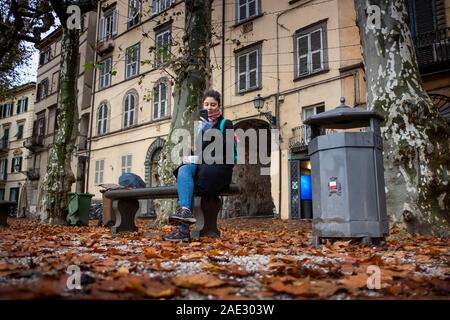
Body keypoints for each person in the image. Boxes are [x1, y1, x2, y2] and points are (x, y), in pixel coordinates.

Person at [164, 90, 234, 241]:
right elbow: (199, 149)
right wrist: (192, 157)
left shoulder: (225, 124)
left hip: (218, 168)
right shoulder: (201, 126)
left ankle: (182, 230)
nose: (209, 108)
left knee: (191, 177)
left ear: (219, 106)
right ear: (203, 105)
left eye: (213, 104)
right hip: (203, 165)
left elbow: (227, 152)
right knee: (183, 169)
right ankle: (185, 215)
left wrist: (197, 158)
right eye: (206, 104)